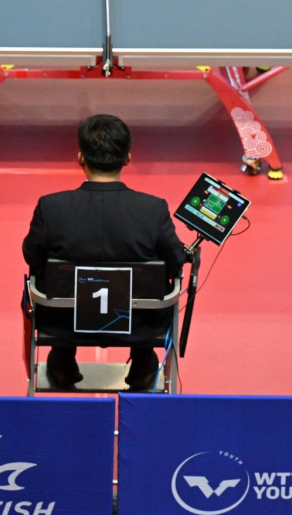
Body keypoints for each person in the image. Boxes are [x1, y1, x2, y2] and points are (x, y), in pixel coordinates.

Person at [22, 114, 189, 391]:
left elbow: (32, 257)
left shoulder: (51, 207)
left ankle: (62, 362)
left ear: (80, 158)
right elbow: (175, 263)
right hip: (140, 324)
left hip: (63, 322)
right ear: (127, 159)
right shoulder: (153, 209)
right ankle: (143, 364)